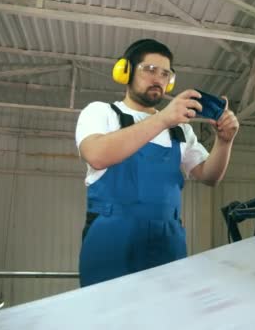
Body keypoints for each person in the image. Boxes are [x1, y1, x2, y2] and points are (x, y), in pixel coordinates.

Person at [75, 39, 239, 287]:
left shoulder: (180, 129)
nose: (158, 78)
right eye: (149, 69)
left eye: (165, 73)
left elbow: (209, 176)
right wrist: (163, 119)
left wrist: (224, 142)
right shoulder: (101, 112)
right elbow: (97, 154)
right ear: (126, 71)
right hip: (110, 239)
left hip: (168, 240)